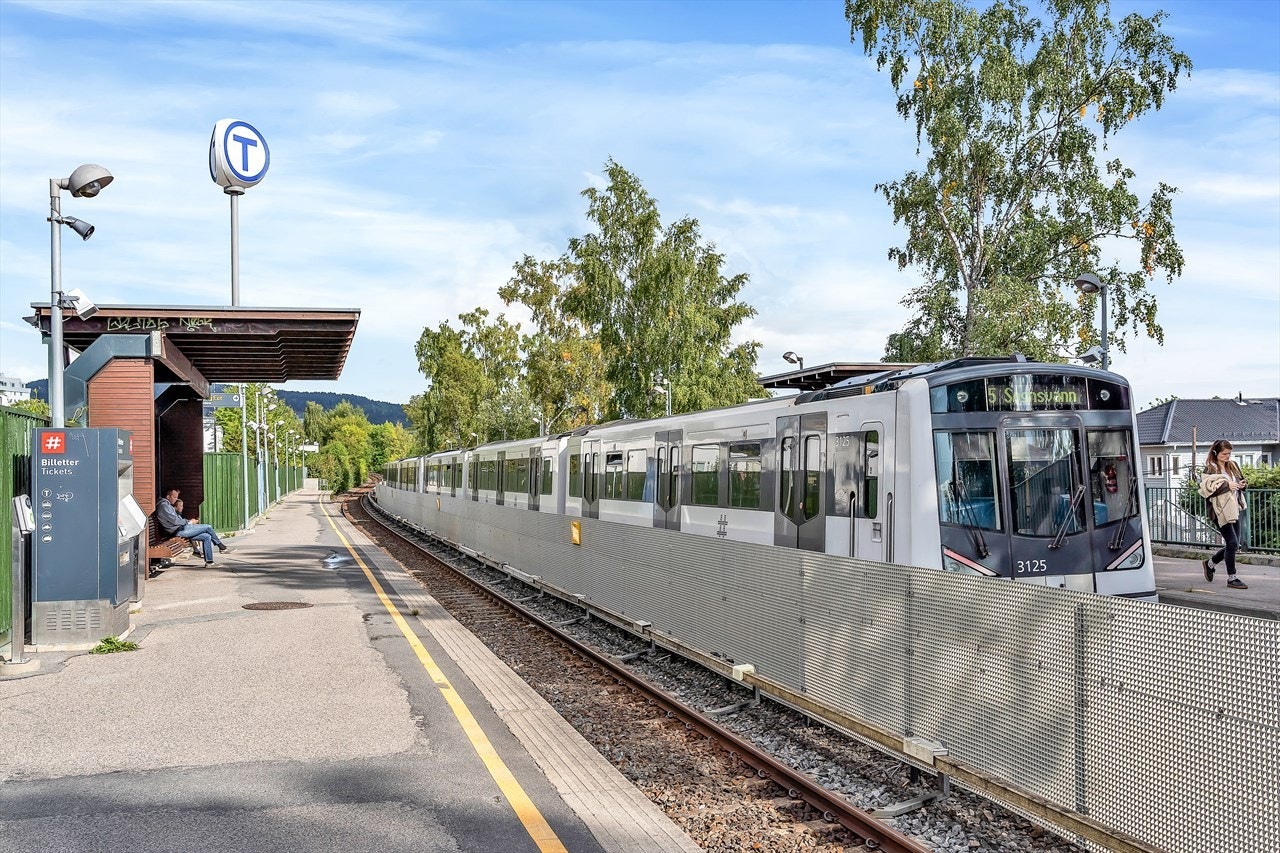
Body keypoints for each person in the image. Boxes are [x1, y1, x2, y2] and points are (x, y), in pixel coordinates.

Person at [1197, 440, 1248, 590]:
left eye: (1229, 454)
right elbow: (1207, 491)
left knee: (1234, 544)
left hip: (1234, 508)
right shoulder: (1209, 469)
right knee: (1232, 543)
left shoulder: (1232, 466)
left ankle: (1210, 563)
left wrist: (1243, 484)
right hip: (1219, 510)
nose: (1227, 456)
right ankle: (1232, 578)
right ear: (1216, 453)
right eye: (1224, 454)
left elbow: (1239, 482)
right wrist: (1227, 486)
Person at [155, 489, 229, 566]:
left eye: (177, 497)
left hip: (180, 529)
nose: (176, 499)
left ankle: (209, 562)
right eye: (174, 497)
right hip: (178, 531)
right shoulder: (163, 506)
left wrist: (189, 521)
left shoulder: (167, 505)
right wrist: (189, 522)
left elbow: (177, 520)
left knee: (207, 536)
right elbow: (175, 521)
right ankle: (221, 547)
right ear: (168, 496)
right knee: (208, 527)